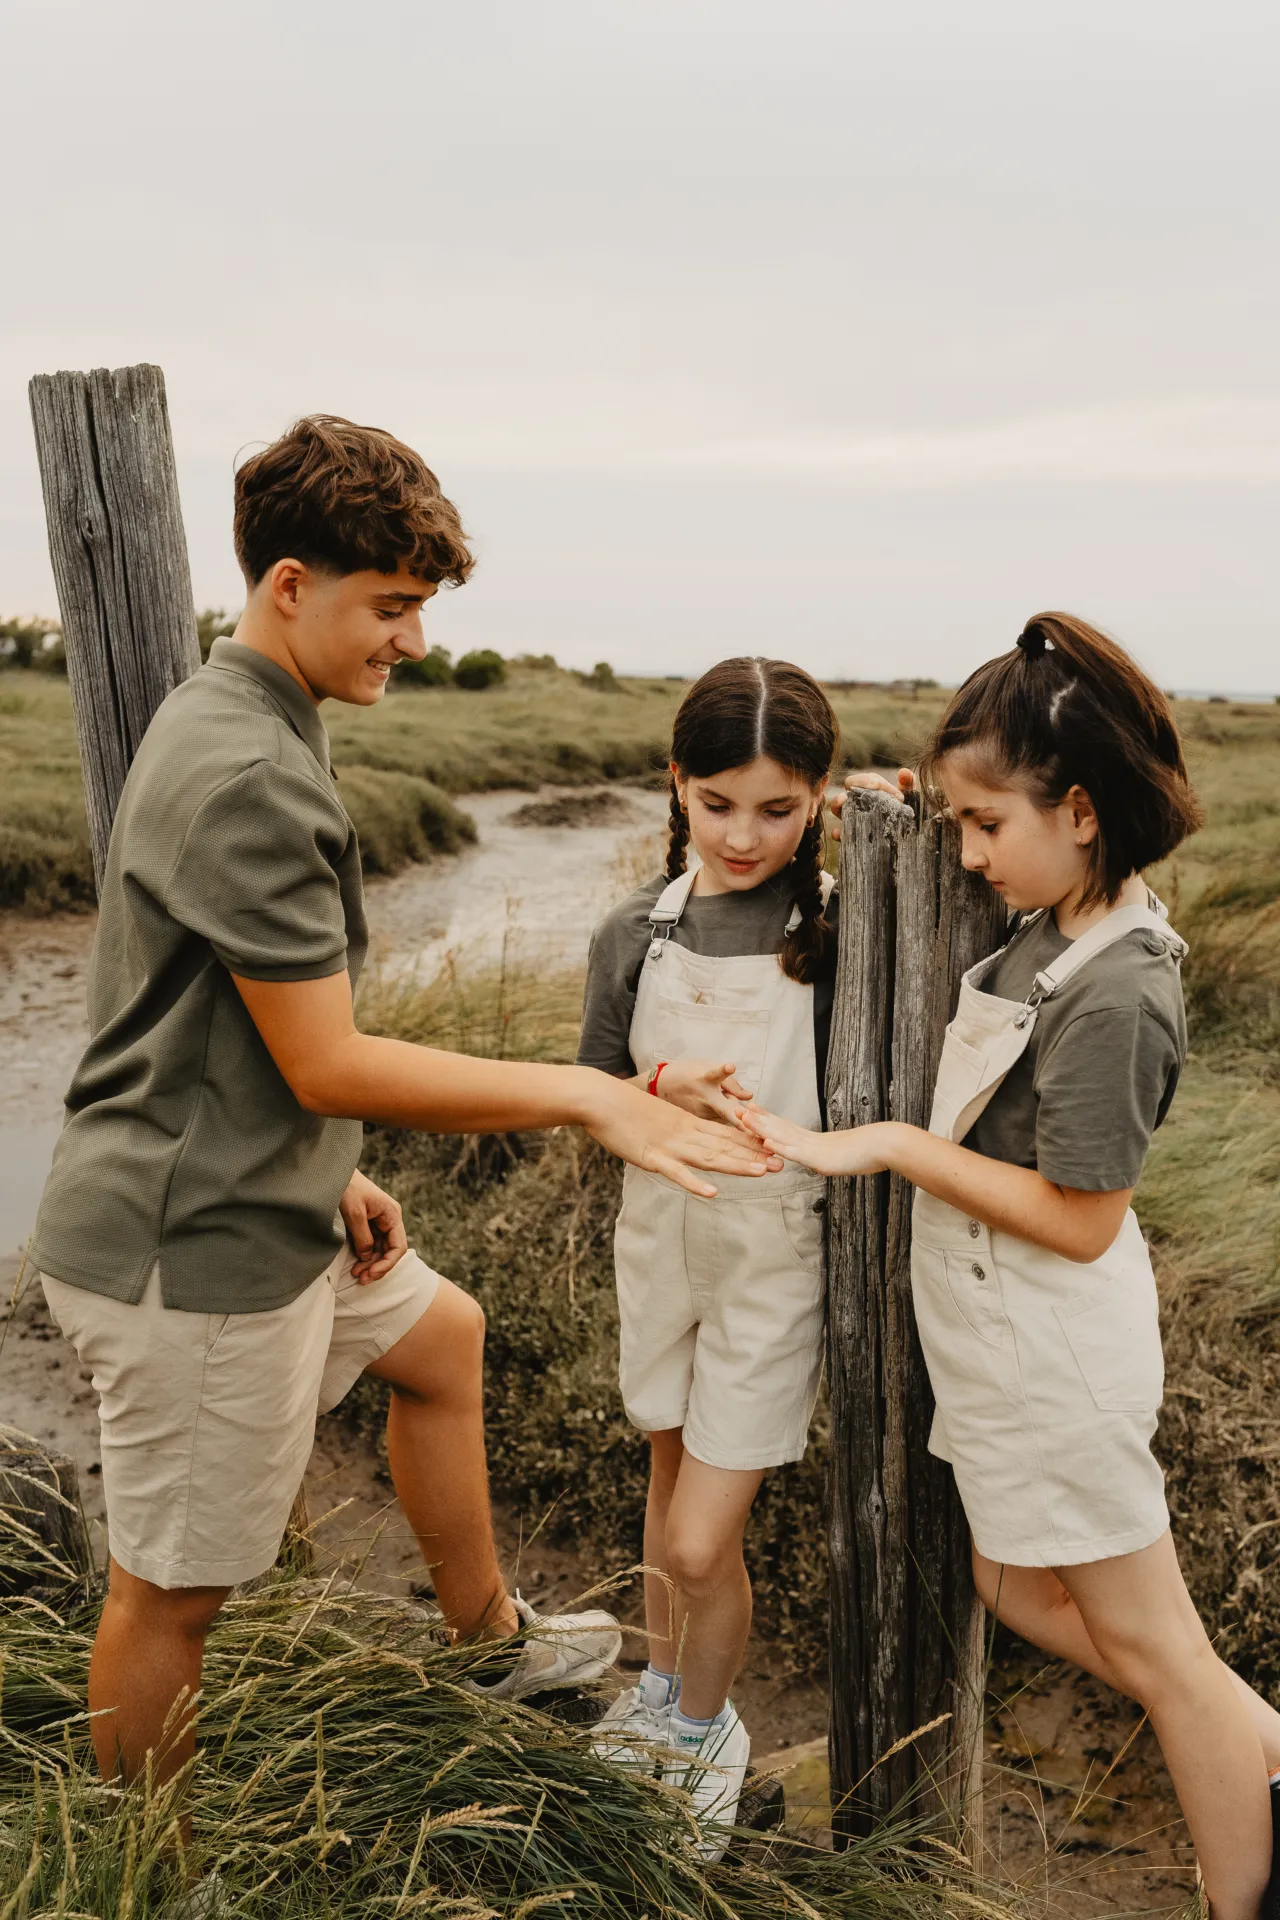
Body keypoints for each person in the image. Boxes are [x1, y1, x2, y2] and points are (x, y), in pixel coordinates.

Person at [29, 416, 778, 1836]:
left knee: (441, 1340)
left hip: (265, 1196)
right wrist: (588, 1093)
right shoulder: (248, 769)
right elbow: (321, 1060)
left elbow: (224, 1025)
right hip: (191, 1251)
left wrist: (340, 1169)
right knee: (169, 1594)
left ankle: (486, 1644)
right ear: (291, 585)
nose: (416, 642)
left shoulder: (249, 712)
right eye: (393, 607)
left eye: (423, 607)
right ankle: (149, 1875)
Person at [744, 613, 1280, 1917]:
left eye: (985, 828)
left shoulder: (1123, 983)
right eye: (958, 825)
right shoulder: (1052, 915)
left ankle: (1241, 1895)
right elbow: (977, 855)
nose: (969, 855)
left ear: (1082, 811)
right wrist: (903, 814)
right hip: (1001, 1345)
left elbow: (1084, 1217)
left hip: (1055, 1353)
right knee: (1006, 1580)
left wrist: (887, 1145)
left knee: (1165, 1662)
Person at [576, 657, 838, 1858]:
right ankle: (654, 1702)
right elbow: (587, 1093)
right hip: (658, 1245)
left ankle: (700, 1733)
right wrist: (656, 1086)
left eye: (777, 808)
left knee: (698, 1538)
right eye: (717, 802)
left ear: (820, 800)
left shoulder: (840, 928)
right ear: (676, 785)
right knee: (661, 1491)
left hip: (773, 1264)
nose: (743, 834)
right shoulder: (634, 930)